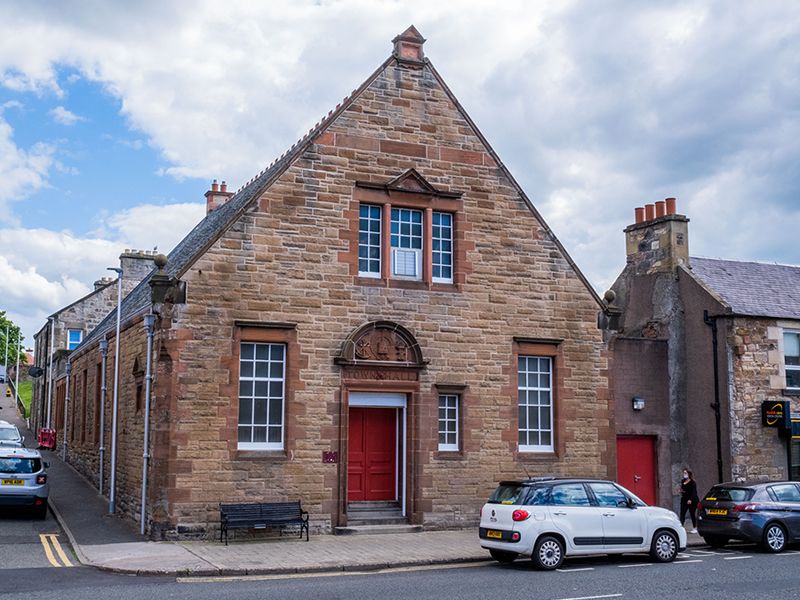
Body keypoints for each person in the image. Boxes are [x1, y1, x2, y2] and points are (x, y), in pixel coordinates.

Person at [679, 468, 699, 533]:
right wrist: (681, 491)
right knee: (682, 513)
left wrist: (690, 499)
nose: (684, 474)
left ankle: (694, 527)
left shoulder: (693, 482)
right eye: (684, 473)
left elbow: (694, 492)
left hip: (692, 500)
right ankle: (681, 527)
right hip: (684, 499)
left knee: (692, 513)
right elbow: (683, 489)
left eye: (685, 473)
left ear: (689, 474)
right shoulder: (683, 481)